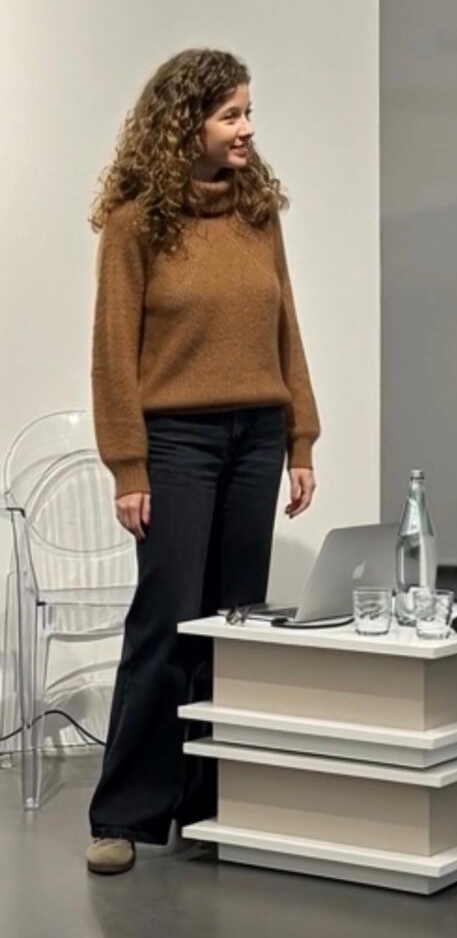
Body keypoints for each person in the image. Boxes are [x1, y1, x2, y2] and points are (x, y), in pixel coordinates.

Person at [86, 49, 320, 875]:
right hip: (175, 441)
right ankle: (124, 815)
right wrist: (128, 466)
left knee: (234, 624)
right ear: (183, 124)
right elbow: (113, 353)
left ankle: (213, 805)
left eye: (248, 112)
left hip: (256, 435)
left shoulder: (257, 212)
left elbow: (285, 327)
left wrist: (299, 438)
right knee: (166, 622)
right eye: (230, 115)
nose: (246, 129)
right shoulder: (135, 223)